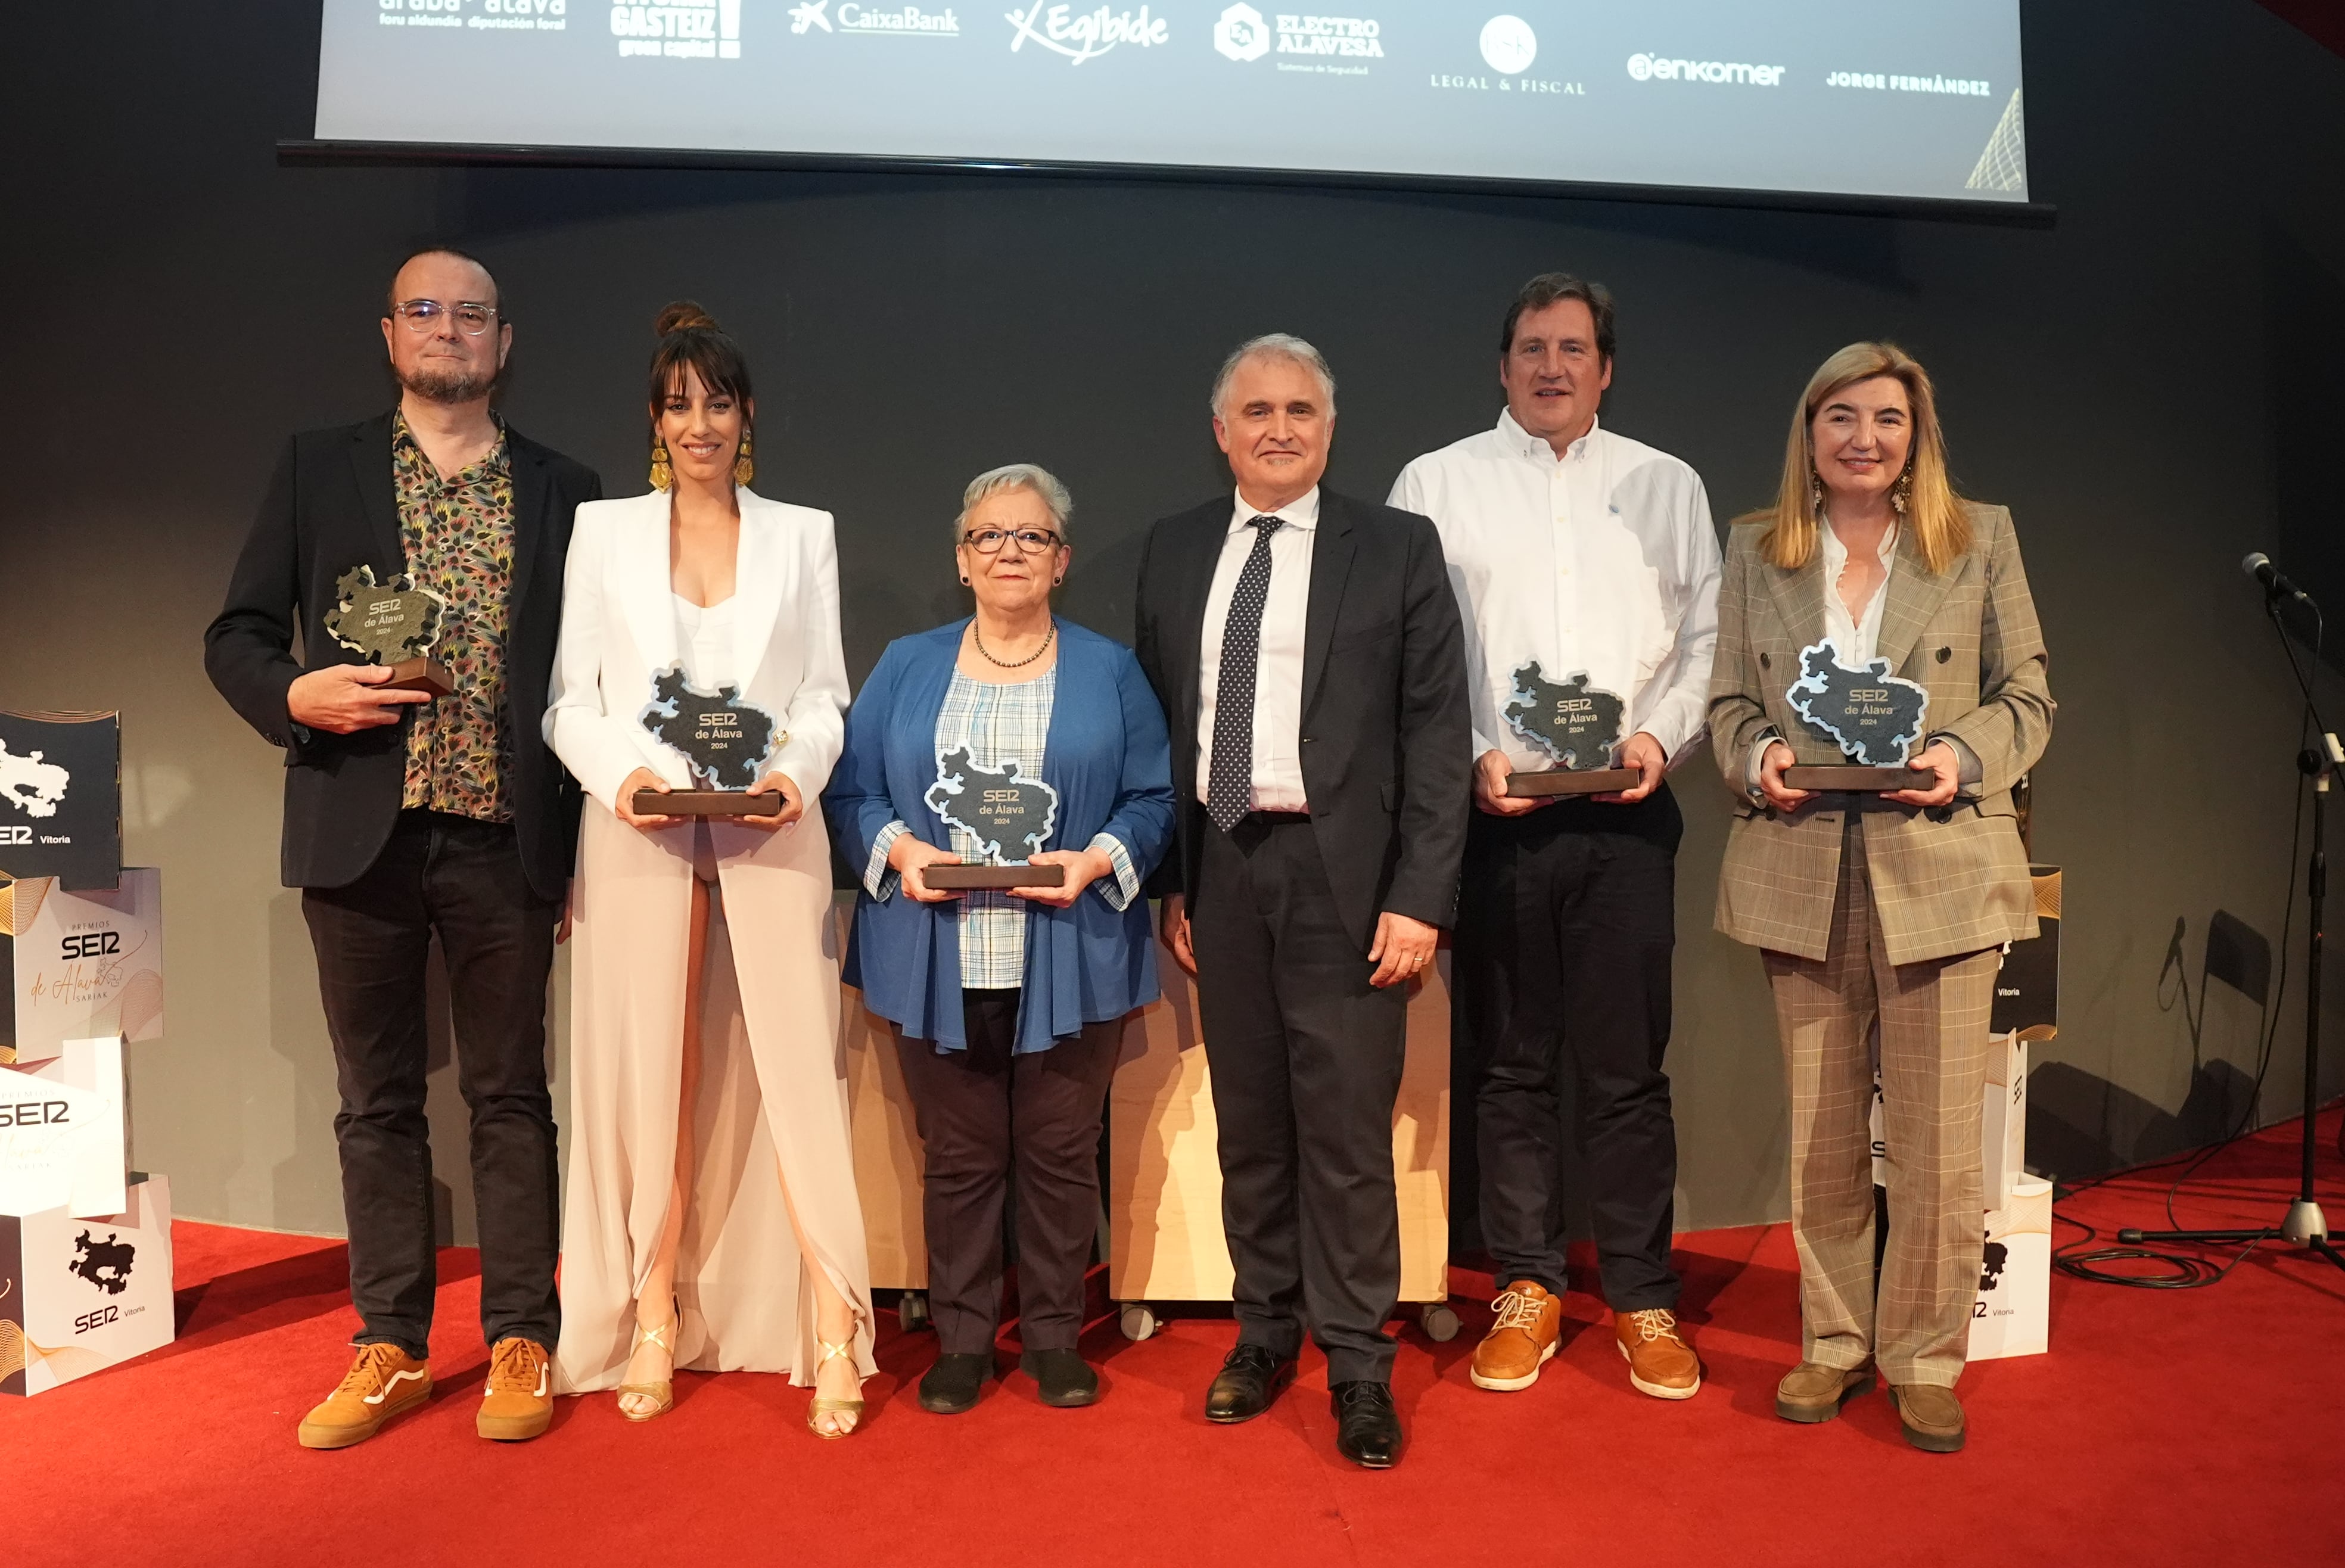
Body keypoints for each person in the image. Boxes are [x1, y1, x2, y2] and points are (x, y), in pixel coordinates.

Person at [205, 246, 602, 1448]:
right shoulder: (316, 466)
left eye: (470, 314)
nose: (448, 330)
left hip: (504, 839)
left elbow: (588, 676)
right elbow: (233, 635)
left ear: (503, 340)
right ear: (389, 335)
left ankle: (524, 1331)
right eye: (425, 311)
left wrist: (583, 844)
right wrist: (297, 695)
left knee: (510, 1094)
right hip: (356, 832)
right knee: (375, 1102)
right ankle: (389, 1345)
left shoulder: (564, 487)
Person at [1133, 334, 1470, 1470]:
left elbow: (1435, 736)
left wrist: (1420, 895)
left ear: (1331, 429)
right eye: (1257, 410)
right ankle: (1264, 1334)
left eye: (1302, 411)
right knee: (1256, 1126)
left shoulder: (1399, 547)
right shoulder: (1176, 551)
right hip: (1222, 869)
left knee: (1344, 1138)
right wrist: (1175, 877)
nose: (1280, 428)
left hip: (1351, 883)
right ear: (1221, 430)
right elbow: (1157, 732)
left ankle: (1360, 1365)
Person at [1708, 341, 2052, 1453]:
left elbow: (2031, 695)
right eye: (1842, 416)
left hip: (1940, 865)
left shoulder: (1979, 537)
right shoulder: (1758, 546)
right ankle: (1834, 1346)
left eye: (1888, 419)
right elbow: (1723, 703)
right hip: (1801, 869)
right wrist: (1753, 753)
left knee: (1942, 1146)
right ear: (1809, 434)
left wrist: (1963, 750)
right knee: (1820, 1139)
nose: (1865, 437)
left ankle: (1922, 1359)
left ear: (1918, 436)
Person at [1389, 273, 1720, 1402]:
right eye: (1532, 346)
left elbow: (1707, 640)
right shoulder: (1435, 484)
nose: (1551, 367)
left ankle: (1640, 1293)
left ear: (1606, 367)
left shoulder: (1667, 486)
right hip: (1498, 820)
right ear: (1502, 364)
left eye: (1573, 348)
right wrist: (1476, 752)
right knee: (1511, 1066)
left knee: (1628, 1072)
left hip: (1629, 818)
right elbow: (1414, 654)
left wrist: (1660, 742)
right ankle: (1526, 1285)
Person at [545, 303, 873, 1437]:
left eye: (718, 402)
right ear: (654, 419)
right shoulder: (601, 531)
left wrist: (796, 775)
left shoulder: (803, 533)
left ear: (748, 417)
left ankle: (833, 1323)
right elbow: (571, 705)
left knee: (795, 1068)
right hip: (634, 831)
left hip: (774, 826)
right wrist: (620, 782)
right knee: (648, 1072)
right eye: (680, 403)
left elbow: (824, 693)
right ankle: (648, 1316)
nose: (700, 423)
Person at [825, 465, 1174, 1415]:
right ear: (962, 559)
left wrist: (1096, 862)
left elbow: (1155, 797)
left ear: (1060, 561)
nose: (1008, 550)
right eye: (989, 535)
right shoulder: (906, 662)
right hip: (938, 953)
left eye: (1029, 536)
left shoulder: (1109, 669)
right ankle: (965, 1338)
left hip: (1070, 951)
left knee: (1062, 1156)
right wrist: (900, 851)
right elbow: (851, 792)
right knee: (961, 1157)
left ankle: (1056, 1336)